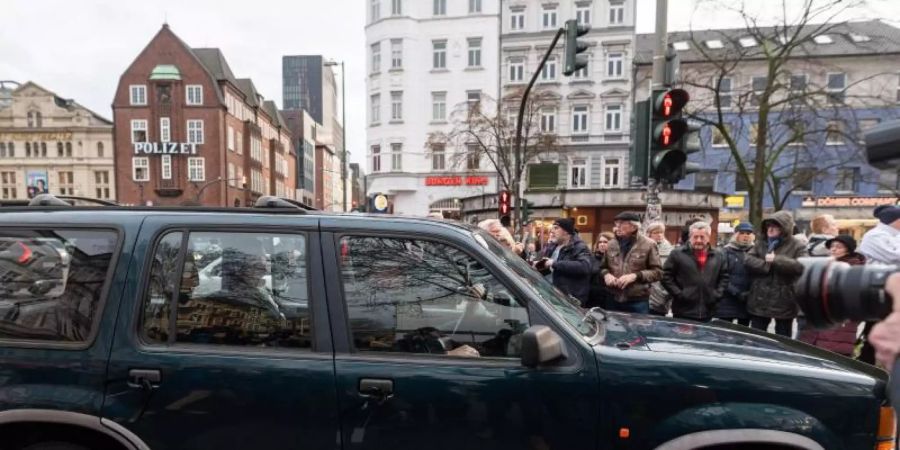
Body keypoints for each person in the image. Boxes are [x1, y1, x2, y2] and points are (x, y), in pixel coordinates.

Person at [796, 235, 865, 357]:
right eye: (832, 246)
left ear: (848, 250)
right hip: (820, 319)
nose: (833, 249)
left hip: (840, 321)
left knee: (832, 355)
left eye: (838, 247)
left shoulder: (855, 269)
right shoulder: (825, 265)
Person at [744, 211, 807, 337]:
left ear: (784, 229)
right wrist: (766, 265)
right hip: (760, 298)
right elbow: (747, 259)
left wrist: (777, 260)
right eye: (768, 226)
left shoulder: (797, 245)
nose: (770, 229)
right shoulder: (761, 243)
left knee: (782, 339)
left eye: (775, 226)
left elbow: (801, 266)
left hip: (784, 299)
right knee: (756, 337)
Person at [661, 222, 729, 322]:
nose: (698, 240)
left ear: (708, 237)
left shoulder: (718, 255)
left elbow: (724, 277)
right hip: (683, 310)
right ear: (690, 237)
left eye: (702, 237)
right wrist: (679, 294)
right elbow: (665, 276)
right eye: (695, 237)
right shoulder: (677, 254)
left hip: (708, 310)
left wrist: (716, 294)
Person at [599, 212, 662, 314]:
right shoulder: (611, 244)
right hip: (612, 298)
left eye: (621, 224)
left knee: (638, 329)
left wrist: (635, 276)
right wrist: (606, 275)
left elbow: (658, 272)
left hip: (637, 301)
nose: (617, 227)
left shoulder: (649, 244)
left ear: (633, 227)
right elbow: (602, 267)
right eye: (616, 224)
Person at [535, 218, 593, 305]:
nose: (552, 231)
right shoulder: (552, 247)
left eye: (556, 228)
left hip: (570, 301)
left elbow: (584, 266)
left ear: (566, 231)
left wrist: (554, 263)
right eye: (552, 228)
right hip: (551, 296)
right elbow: (549, 270)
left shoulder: (579, 247)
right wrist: (538, 266)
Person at [715, 222, 754, 326]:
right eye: (742, 233)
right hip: (727, 300)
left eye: (748, 233)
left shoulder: (755, 252)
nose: (745, 236)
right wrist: (736, 293)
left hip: (747, 300)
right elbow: (722, 276)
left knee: (744, 333)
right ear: (736, 235)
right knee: (724, 333)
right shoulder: (725, 252)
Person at [647, 222, 675, 317]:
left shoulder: (670, 251)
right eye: (656, 232)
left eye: (661, 232)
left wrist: (666, 293)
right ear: (649, 234)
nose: (659, 235)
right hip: (642, 293)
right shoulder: (642, 247)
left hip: (661, 294)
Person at [588, 232, 615, 308]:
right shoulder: (591, 258)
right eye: (600, 242)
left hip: (610, 298)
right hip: (592, 298)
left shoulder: (616, 259)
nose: (602, 244)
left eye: (605, 242)